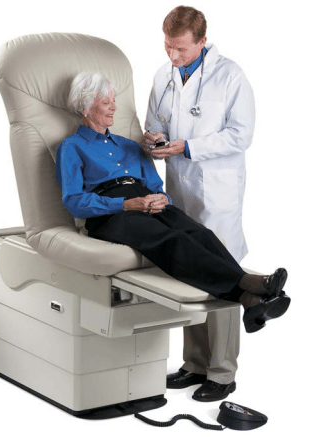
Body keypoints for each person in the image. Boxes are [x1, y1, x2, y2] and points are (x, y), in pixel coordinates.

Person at [55, 72, 290, 353]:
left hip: (146, 199)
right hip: (110, 212)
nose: (114, 107)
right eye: (106, 102)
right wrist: (126, 205)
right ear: (85, 107)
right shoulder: (71, 147)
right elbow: (74, 201)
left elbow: (156, 186)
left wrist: (162, 199)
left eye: (114, 100)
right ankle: (250, 285)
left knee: (199, 232)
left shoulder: (129, 146)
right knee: (171, 239)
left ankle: (250, 302)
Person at [142, 6, 255, 401]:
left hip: (217, 191)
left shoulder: (230, 76)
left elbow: (241, 135)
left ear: (202, 42)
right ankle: (194, 364)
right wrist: (154, 140)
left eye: (182, 50)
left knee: (223, 273)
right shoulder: (164, 75)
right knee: (188, 269)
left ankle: (222, 373)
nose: (173, 56)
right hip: (180, 187)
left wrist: (188, 147)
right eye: (168, 47)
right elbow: (154, 123)